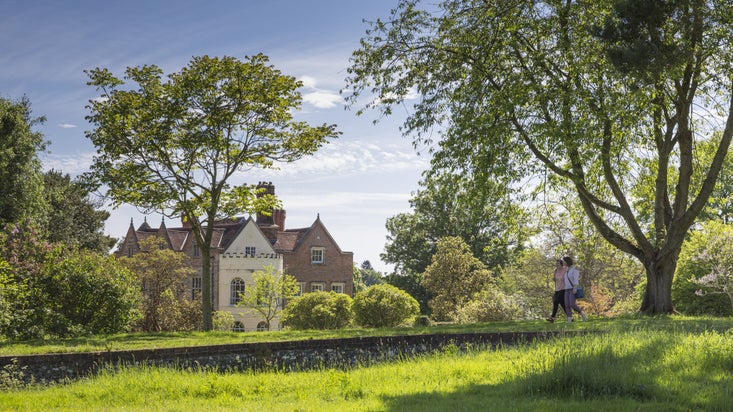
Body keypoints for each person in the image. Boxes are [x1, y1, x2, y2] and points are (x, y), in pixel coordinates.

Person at [562, 256, 587, 323]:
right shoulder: (566, 269)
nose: (563, 262)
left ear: (567, 261)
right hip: (566, 289)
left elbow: (576, 279)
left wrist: (575, 288)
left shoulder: (575, 269)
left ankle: (582, 314)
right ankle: (569, 320)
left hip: (572, 288)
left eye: (564, 261)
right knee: (566, 305)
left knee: (572, 304)